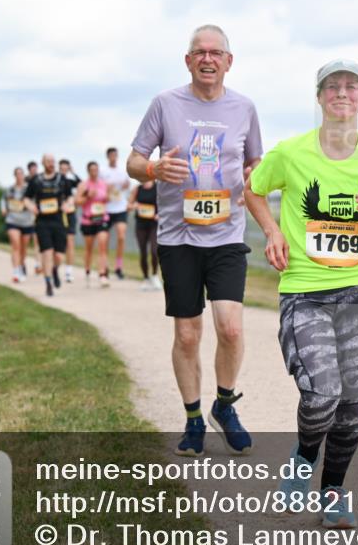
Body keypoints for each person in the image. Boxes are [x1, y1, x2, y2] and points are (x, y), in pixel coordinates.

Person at [244, 59, 358, 529]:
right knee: (322, 394)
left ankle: (334, 492)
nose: (342, 93)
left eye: (351, 87)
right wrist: (272, 230)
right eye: (333, 87)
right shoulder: (292, 153)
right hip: (306, 294)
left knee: (352, 404)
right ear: (320, 98)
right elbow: (253, 189)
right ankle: (302, 459)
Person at [127, 24, 264, 457]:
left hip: (226, 236)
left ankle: (224, 405)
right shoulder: (165, 105)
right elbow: (134, 159)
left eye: (216, 52)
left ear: (228, 61)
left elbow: (255, 162)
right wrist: (152, 170)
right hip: (178, 237)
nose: (208, 59)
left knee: (231, 326)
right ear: (188, 61)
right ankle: (192, 421)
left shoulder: (244, 108)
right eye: (199, 52)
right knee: (188, 335)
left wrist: (252, 177)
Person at [24, 154, 70, 297]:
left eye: (53, 161)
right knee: (47, 253)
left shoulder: (61, 179)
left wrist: (67, 204)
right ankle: (48, 283)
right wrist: (31, 207)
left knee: (59, 256)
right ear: (43, 163)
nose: (51, 164)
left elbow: (70, 196)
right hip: (42, 222)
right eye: (48, 161)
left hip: (58, 220)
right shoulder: (36, 180)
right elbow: (26, 198)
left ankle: (55, 269)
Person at [76, 161, 111, 288]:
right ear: (88, 171)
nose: (94, 172)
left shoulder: (103, 184)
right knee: (89, 249)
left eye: (96, 169)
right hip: (88, 220)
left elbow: (107, 198)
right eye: (92, 170)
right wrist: (87, 197)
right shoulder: (83, 185)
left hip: (102, 219)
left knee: (102, 245)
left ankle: (102, 275)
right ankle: (87, 271)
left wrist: (107, 198)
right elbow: (77, 202)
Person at [101, 147, 131, 280]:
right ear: (108, 157)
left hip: (120, 207)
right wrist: (107, 189)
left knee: (121, 236)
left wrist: (125, 185)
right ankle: (105, 266)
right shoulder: (103, 172)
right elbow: (100, 188)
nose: (114, 157)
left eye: (116, 155)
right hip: (107, 208)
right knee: (104, 240)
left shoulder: (122, 171)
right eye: (112, 155)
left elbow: (127, 184)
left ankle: (119, 266)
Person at [1, 168, 36, 283]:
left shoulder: (29, 189)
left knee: (23, 248)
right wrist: (3, 209)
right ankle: (16, 271)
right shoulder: (9, 189)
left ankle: (21, 265)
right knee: (15, 245)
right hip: (12, 220)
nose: (20, 176)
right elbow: (3, 200)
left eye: (21, 174)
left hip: (26, 221)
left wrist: (33, 210)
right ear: (14, 176)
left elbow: (34, 202)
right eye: (17, 174)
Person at [129, 179, 162, 291]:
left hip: (154, 224)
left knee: (154, 251)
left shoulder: (158, 187)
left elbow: (166, 202)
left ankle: (154, 275)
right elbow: (128, 205)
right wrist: (134, 206)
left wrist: (160, 214)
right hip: (141, 224)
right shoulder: (137, 189)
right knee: (143, 252)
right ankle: (145, 278)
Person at [59, 159, 81, 283]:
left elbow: (81, 185)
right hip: (57, 215)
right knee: (57, 243)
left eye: (66, 169)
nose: (63, 171)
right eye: (61, 168)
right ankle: (55, 267)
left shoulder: (70, 181)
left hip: (70, 213)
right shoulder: (54, 181)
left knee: (70, 242)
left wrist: (73, 172)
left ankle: (69, 271)